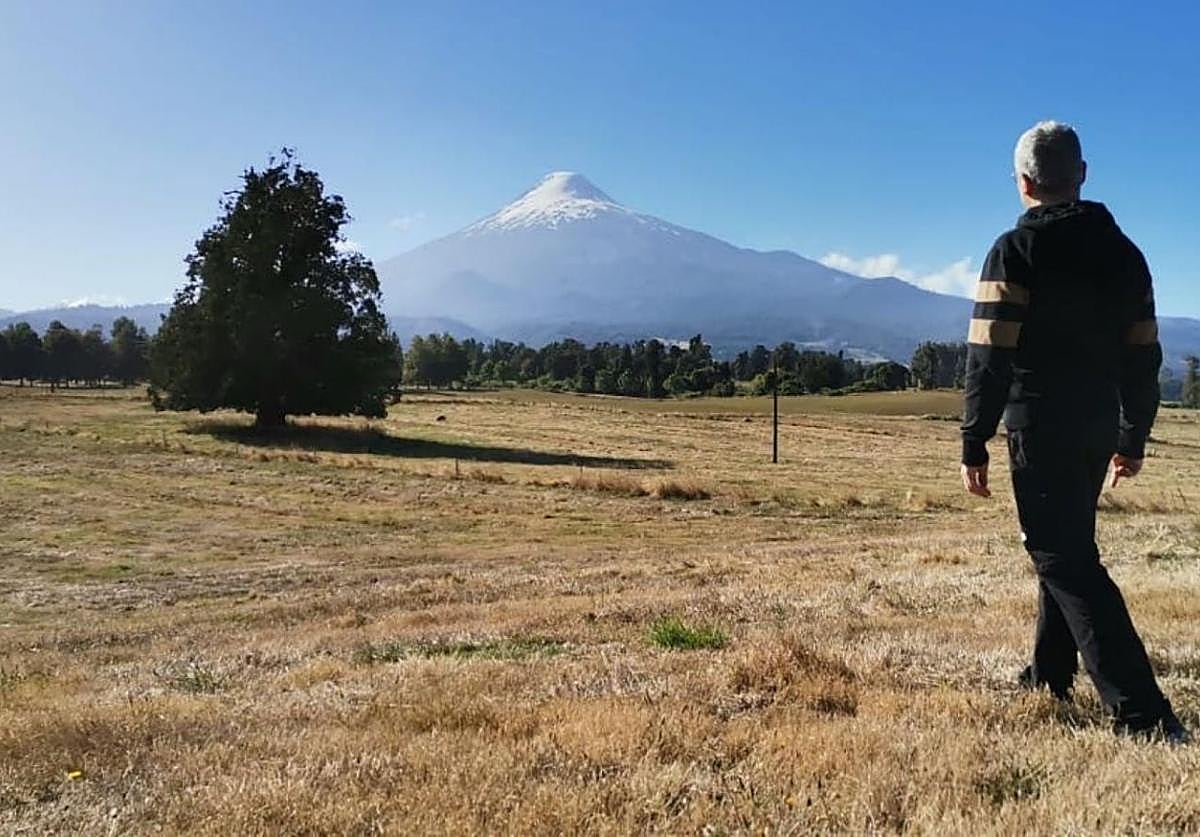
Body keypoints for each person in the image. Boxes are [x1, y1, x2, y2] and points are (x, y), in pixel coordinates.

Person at [959, 120, 1189, 743]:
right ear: (1082, 175)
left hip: (1040, 424)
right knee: (1067, 545)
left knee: (1062, 556)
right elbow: (1145, 354)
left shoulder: (1014, 251)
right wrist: (1132, 433)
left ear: (1023, 183)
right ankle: (1048, 676)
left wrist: (972, 438)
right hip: (1095, 425)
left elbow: (989, 356)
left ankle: (1142, 712)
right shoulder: (1126, 254)